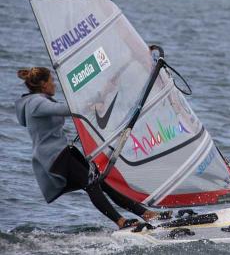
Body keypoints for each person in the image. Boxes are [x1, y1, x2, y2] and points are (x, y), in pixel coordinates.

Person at [15, 67, 169, 229]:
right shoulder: (35, 103)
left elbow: (70, 108)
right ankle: (121, 221)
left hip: (63, 153)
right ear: (43, 85)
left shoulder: (37, 101)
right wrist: (94, 100)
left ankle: (145, 214)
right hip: (55, 157)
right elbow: (68, 109)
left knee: (101, 180)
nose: (55, 84)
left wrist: (102, 93)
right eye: (51, 81)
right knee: (91, 183)